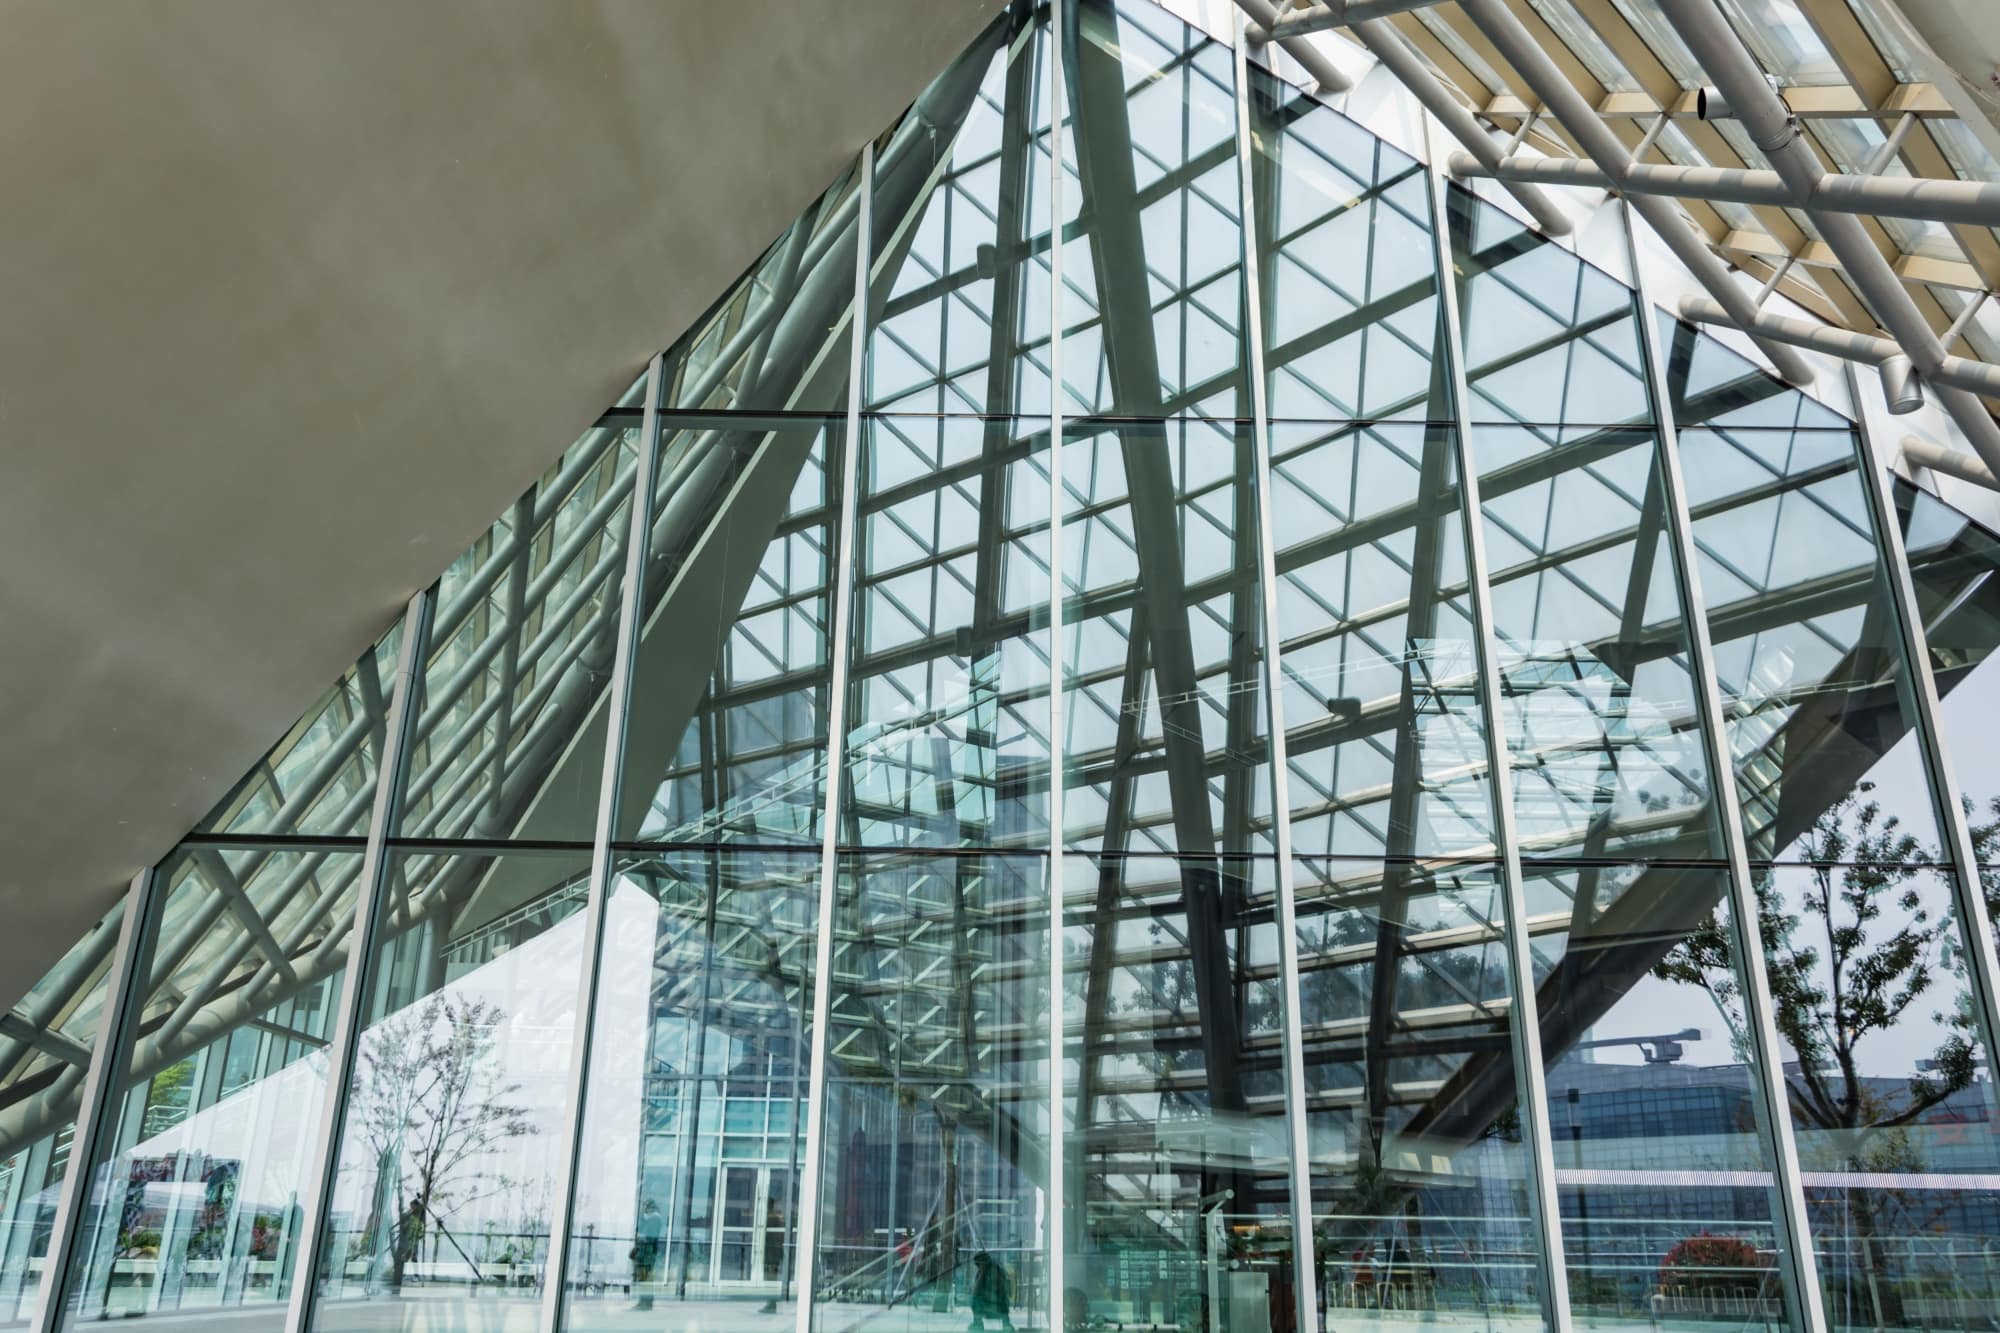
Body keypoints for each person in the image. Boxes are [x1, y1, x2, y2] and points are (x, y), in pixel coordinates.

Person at [630, 1199, 664, 1311]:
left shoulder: (655, 1219)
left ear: (650, 1207)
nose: (643, 1208)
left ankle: (645, 1303)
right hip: (645, 1253)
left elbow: (647, 1236)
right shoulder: (649, 1218)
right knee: (644, 1278)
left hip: (647, 1254)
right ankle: (644, 1302)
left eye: (645, 1206)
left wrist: (641, 1236)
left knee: (645, 1278)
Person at [968, 1251, 1013, 1331]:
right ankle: (978, 1324)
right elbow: (975, 1292)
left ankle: (1006, 1325)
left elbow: (1002, 1290)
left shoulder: (997, 1270)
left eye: (979, 1264)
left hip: (997, 1304)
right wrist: (982, 1272)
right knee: (975, 1300)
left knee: (975, 1300)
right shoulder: (982, 1272)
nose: (978, 1266)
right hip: (988, 1302)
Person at [390, 1194, 426, 1292]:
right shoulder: (412, 1215)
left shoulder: (418, 1215)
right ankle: (410, 1274)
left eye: (413, 1206)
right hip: (410, 1238)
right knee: (409, 1257)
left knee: (411, 1256)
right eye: (411, 1206)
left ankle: (414, 1275)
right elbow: (405, 1220)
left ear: (416, 1206)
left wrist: (419, 1199)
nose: (411, 1208)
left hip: (414, 1238)